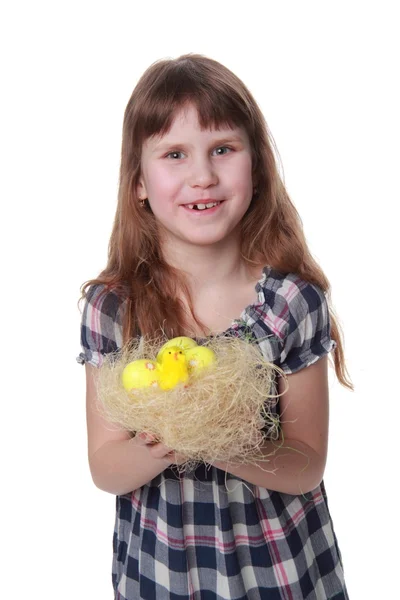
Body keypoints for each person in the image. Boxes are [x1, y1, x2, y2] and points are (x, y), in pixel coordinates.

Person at [77, 53, 352, 600]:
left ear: (256, 168)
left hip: (283, 575)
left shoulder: (291, 302)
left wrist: (220, 438)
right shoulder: (114, 308)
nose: (202, 174)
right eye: (174, 154)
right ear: (138, 182)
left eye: (222, 149)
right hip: (161, 576)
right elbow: (106, 467)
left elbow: (306, 465)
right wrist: (170, 439)